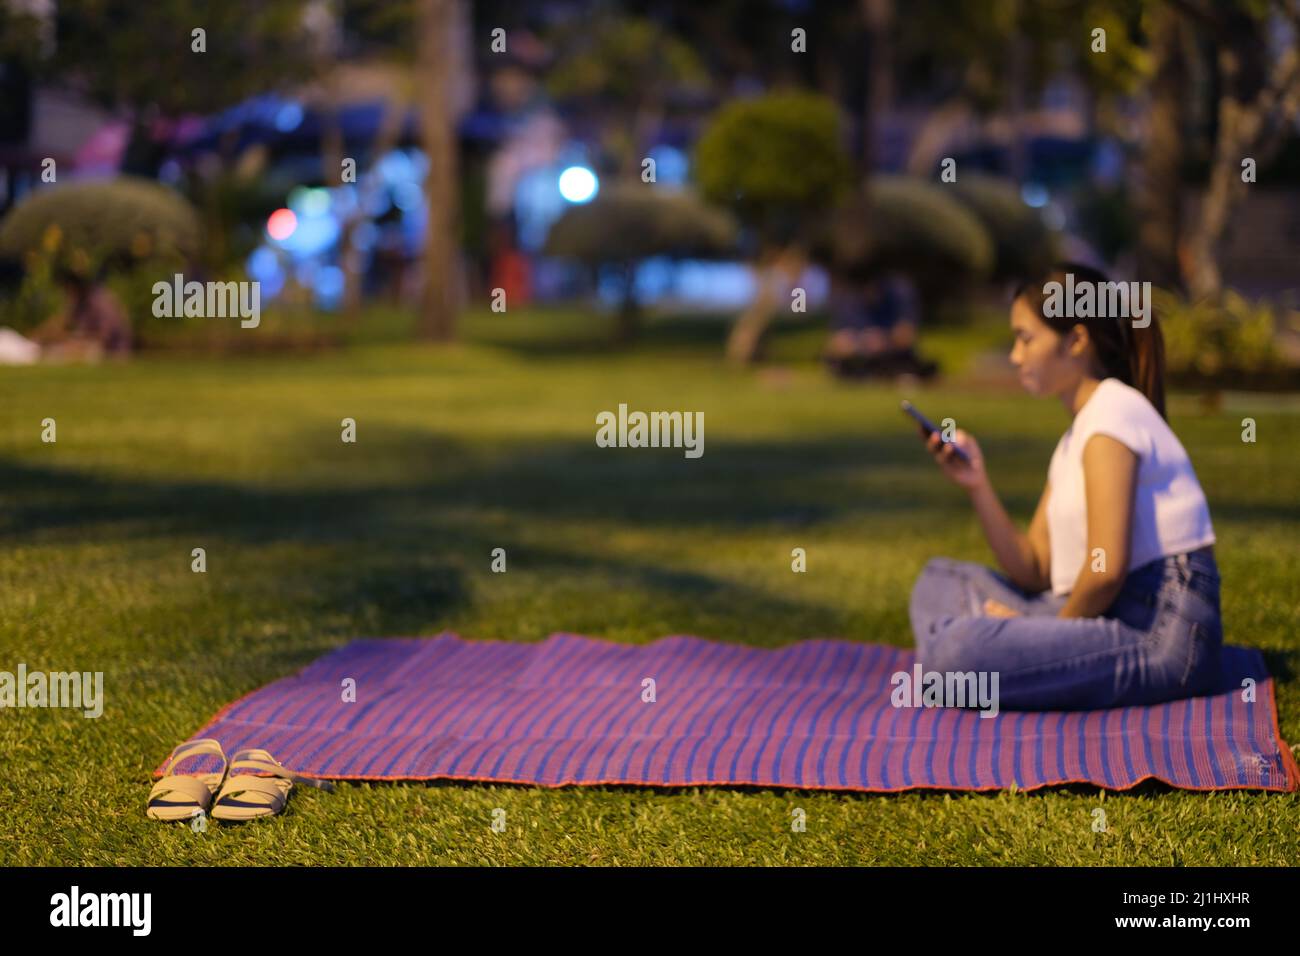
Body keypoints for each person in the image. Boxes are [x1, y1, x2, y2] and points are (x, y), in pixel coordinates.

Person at [908, 262, 1221, 711]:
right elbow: (1032, 568)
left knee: (952, 656)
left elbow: (1106, 571)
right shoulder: (1076, 437)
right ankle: (1001, 652)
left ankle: (984, 653)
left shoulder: (1113, 414)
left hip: (1159, 634)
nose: (1015, 356)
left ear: (1075, 340)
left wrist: (1042, 632)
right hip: (1093, 611)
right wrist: (977, 484)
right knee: (938, 581)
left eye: (1025, 338)